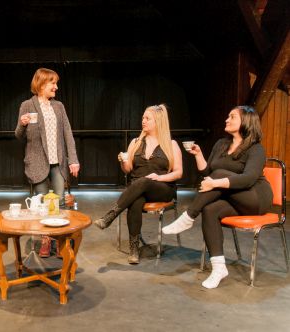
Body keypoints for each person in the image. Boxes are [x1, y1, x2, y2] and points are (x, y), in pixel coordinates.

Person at [162, 105, 272, 289]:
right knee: (210, 209)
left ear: (246, 121)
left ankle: (188, 216)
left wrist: (215, 182)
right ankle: (219, 267)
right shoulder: (221, 144)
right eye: (227, 116)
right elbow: (207, 171)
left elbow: (248, 178)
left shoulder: (255, 149)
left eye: (232, 117)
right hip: (234, 198)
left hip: (256, 198)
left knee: (220, 175)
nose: (226, 120)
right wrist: (198, 155)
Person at [94, 104, 183, 264]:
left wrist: (158, 178)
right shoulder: (136, 142)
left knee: (143, 182)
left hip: (162, 188)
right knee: (135, 200)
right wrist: (123, 161)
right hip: (138, 188)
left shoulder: (171, 144)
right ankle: (134, 249)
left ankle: (111, 215)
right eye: (143, 117)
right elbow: (128, 170)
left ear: (158, 122)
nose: (143, 121)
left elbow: (178, 172)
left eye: (147, 118)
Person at [15, 68, 80, 257]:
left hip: (57, 162)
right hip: (36, 162)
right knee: (43, 203)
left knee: (60, 201)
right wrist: (22, 124)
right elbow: (19, 136)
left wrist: (73, 159)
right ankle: (45, 240)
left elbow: (67, 134)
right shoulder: (27, 105)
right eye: (53, 83)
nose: (56, 87)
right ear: (42, 84)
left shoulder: (58, 106)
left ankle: (59, 240)